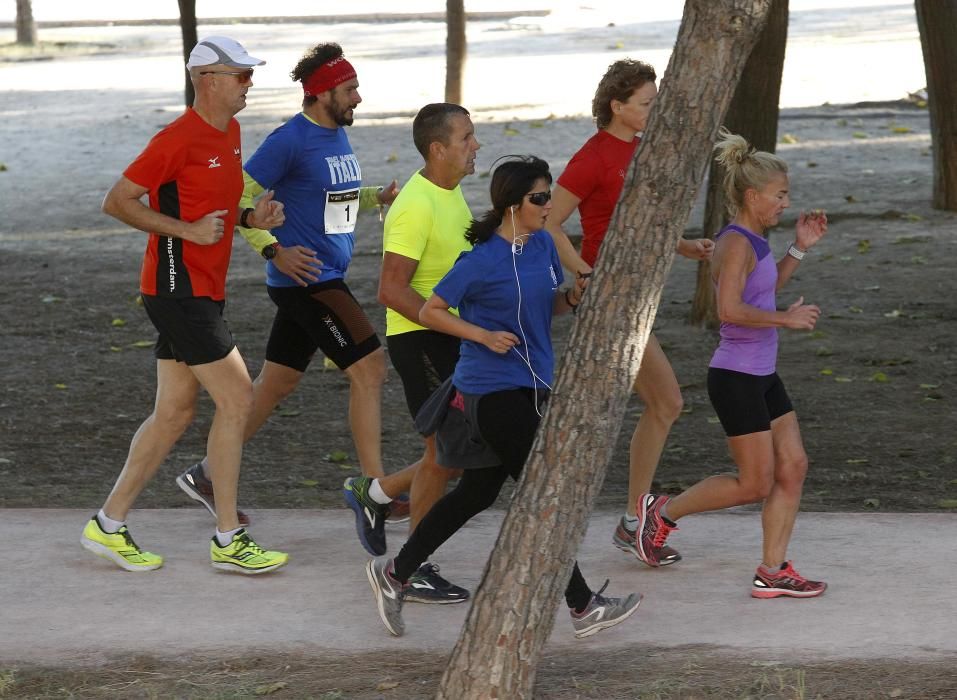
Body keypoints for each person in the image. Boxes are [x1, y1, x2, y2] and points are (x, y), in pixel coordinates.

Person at [366, 156, 642, 638]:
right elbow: (431, 310)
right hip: (490, 392)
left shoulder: (542, 249)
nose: (548, 205)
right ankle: (582, 606)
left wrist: (572, 299)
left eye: (549, 195)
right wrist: (480, 335)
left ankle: (394, 575)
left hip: (532, 385)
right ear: (513, 204)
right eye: (539, 197)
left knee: (477, 492)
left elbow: (545, 307)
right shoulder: (480, 261)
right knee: (540, 492)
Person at [173, 43, 408, 526]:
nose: (358, 98)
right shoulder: (290, 140)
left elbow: (329, 198)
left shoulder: (335, 136)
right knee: (370, 369)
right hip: (309, 281)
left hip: (322, 277)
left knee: (277, 383)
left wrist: (374, 197)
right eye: (350, 89)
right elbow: (235, 197)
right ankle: (374, 489)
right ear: (321, 93)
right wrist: (272, 248)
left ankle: (206, 475)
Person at [81, 36, 288, 574]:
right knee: (239, 398)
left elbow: (213, 207)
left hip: (202, 290)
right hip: (177, 289)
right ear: (209, 80)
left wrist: (248, 221)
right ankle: (228, 538)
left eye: (249, 74)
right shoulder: (175, 139)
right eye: (241, 75)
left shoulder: (233, 131)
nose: (249, 83)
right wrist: (187, 232)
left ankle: (107, 525)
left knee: (173, 413)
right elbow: (116, 201)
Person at [634, 129, 828, 599]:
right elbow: (729, 310)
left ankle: (773, 569)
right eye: (779, 195)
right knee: (754, 483)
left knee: (793, 466)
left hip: (761, 374)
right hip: (736, 376)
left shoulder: (756, 240)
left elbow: (760, 290)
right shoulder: (736, 242)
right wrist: (786, 319)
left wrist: (799, 247)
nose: (785, 203)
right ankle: (663, 512)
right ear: (752, 195)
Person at [545, 58, 714, 566]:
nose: (654, 110)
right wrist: (582, 271)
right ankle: (634, 521)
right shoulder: (594, 156)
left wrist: (682, 247)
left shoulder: (640, 150)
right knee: (664, 403)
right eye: (647, 103)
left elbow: (634, 221)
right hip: (608, 304)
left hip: (634, 298)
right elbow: (549, 222)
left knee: (660, 404)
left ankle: (631, 519)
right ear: (617, 107)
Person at [341, 103, 480, 604]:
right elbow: (391, 290)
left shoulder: (451, 192)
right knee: (444, 454)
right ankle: (413, 567)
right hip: (418, 338)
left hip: (451, 337)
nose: (475, 146)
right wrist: (452, 323)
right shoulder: (415, 205)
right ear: (437, 149)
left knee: (465, 453)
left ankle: (374, 494)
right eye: (466, 138)